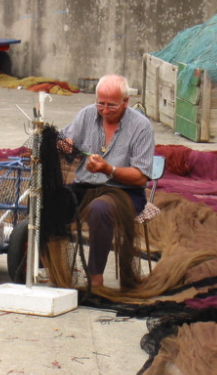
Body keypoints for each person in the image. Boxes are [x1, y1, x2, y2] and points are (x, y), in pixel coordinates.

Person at [61, 74, 155, 287]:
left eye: (111, 106)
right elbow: (63, 141)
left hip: (125, 193)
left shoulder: (141, 127)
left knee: (99, 209)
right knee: (49, 200)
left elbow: (140, 177)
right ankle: (47, 265)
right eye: (100, 104)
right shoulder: (86, 115)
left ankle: (95, 279)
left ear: (126, 102)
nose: (104, 110)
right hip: (85, 187)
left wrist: (108, 169)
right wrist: (63, 145)